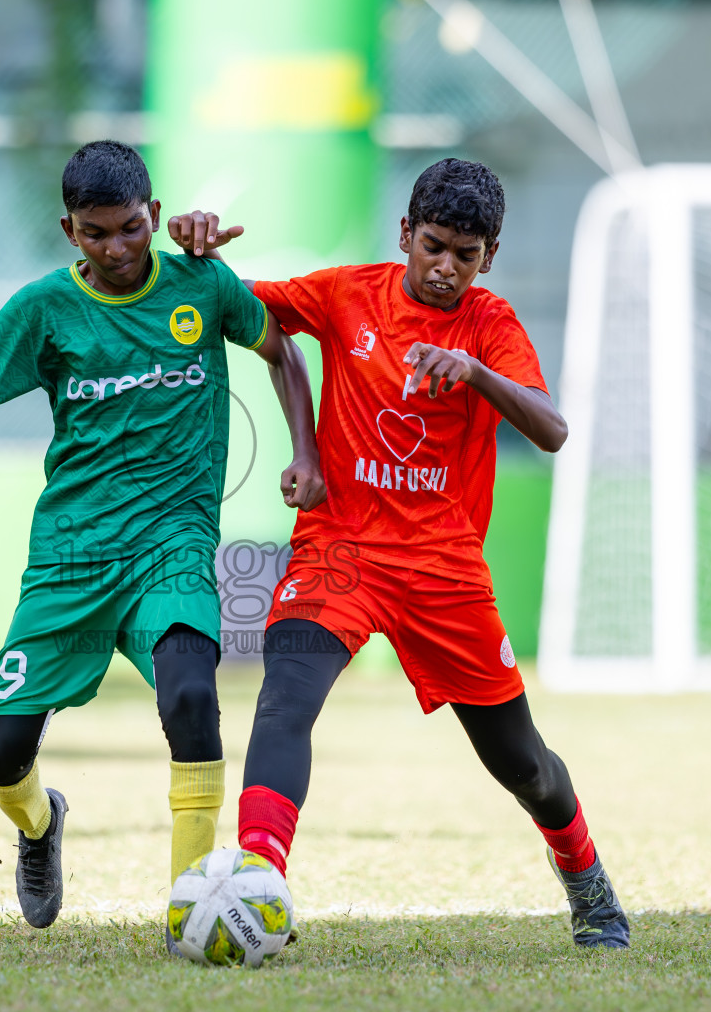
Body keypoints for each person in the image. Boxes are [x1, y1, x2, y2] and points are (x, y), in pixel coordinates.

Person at [0, 140, 324, 932]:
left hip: (174, 540)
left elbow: (283, 352)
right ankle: (40, 824)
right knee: (1, 752)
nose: (119, 248)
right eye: (97, 233)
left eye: (132, 229)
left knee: (193, 696)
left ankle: (189, 903)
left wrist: (306, 451)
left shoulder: (202, 282)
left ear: (155, 217)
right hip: (71, 554)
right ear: (70, 231)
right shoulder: (43, 311)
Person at [168, 158, 631, 948]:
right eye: (435, 247)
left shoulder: (489, 324)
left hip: (442, 572)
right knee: (284, 698)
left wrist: (476, 371)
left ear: (490, 256)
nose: (447, 268)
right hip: (338, 552)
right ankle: (259, 874)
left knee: (522, 764)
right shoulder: (349, 294)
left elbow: (551, 430)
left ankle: (587, 881)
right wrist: (192, 251)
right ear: (406, 234)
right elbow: (237, 308)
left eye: (467, 255)